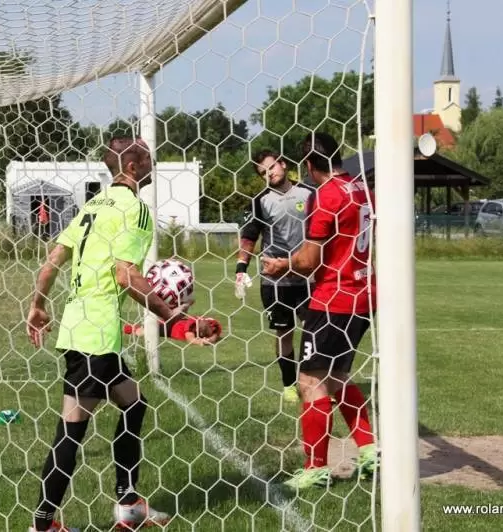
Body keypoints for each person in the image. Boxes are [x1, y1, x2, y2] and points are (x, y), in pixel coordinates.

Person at [25, 137, 192, 532]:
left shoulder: (92, 206)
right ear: (132, 167)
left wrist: (38, 304)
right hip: (94, 337)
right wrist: (173, 318)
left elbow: (52, 261)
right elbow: (126, 275)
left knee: (134, 404)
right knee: (71, 430)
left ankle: (129, 505)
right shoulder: (134, 208)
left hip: (84, 327)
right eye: (147, 158)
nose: (152, 163)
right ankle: (42, 525)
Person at [261, 132, 377, 490]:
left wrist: (283, 265)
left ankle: (315, 468)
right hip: (363, 294)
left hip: (333, 298)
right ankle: (370, 451)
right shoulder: (362, 190)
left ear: (309, 165)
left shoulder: (325, 195)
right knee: (337, 376)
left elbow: (309, 260)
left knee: (310, 381)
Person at [235, 149, 314, 403]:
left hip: (308, 277)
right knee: (284, 332)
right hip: (275, 280)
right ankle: (289, 385)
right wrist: (240, 269)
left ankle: (315, 383)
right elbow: (249, 236)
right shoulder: (260, 201)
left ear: (283, 163)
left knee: (314, 331)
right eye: (263, 172)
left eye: (271, 167)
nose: (269, 174)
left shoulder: (309, 193)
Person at [124, 316, 222, 346]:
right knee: (143, 332)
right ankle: (129, 328)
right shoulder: (191, 323)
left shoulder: (214, 325)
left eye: (202, 333)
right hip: (169, 328)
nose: (200, 334)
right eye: (199, 332)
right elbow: (190, 338)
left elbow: (216, 336)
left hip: (172, 323)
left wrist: (210, 340)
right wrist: (201, 342)